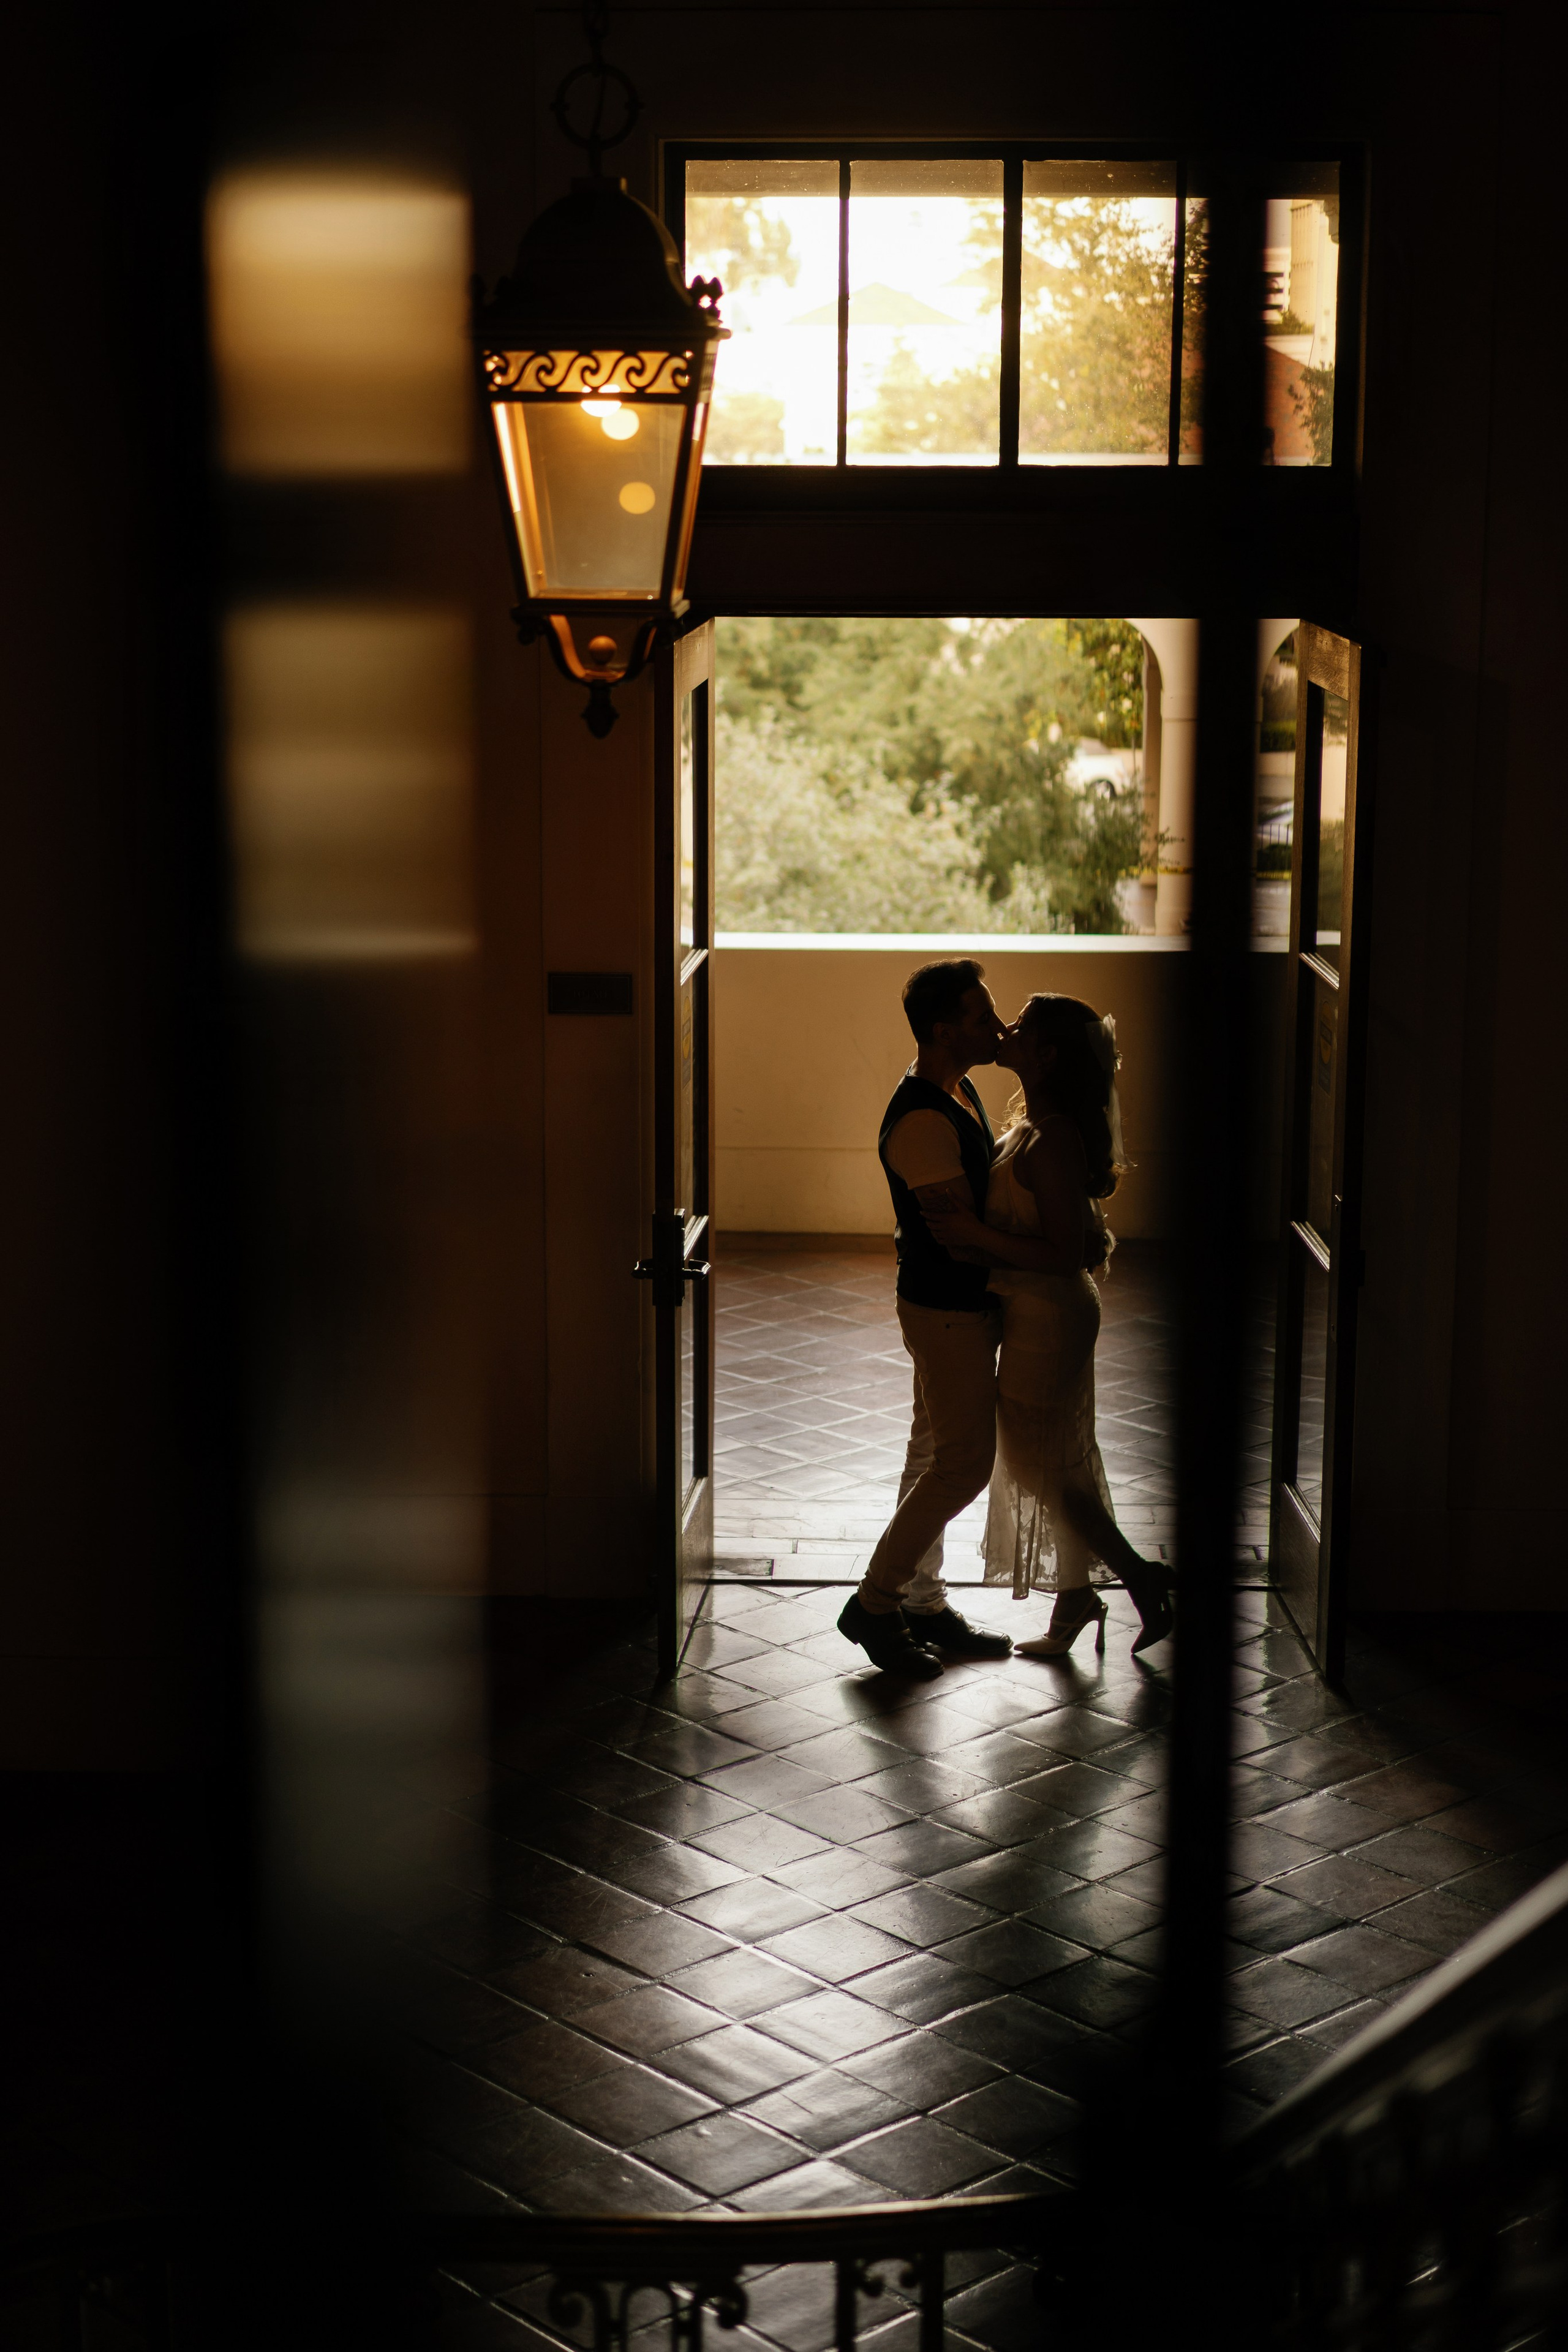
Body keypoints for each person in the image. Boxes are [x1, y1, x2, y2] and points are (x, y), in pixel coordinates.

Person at [838, 959, 1071, 1677]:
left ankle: (922, 1600)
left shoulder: (960, 1090)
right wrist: (1056, 1253)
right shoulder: (919, 1121)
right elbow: (959, 1234)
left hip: (962, 1306)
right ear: (942, 1031)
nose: (996, 1028)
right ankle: (874, 1605)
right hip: (945, 1312)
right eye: (980, 1017)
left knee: (930, 1450)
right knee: (964, 1464)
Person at [922, 992, 1174, 1657]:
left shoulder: (1053, 1135)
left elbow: (1064, 1254)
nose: (1007, 1027)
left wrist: (974, 1233)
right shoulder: (1030, 1124)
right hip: (1032, 1311)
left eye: (1023, 1025)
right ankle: (1075, 1598)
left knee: (1041, 1466)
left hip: (1049, 1318)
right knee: (1051, 1462)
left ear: (1048, 1054)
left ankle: (1138, 1580)